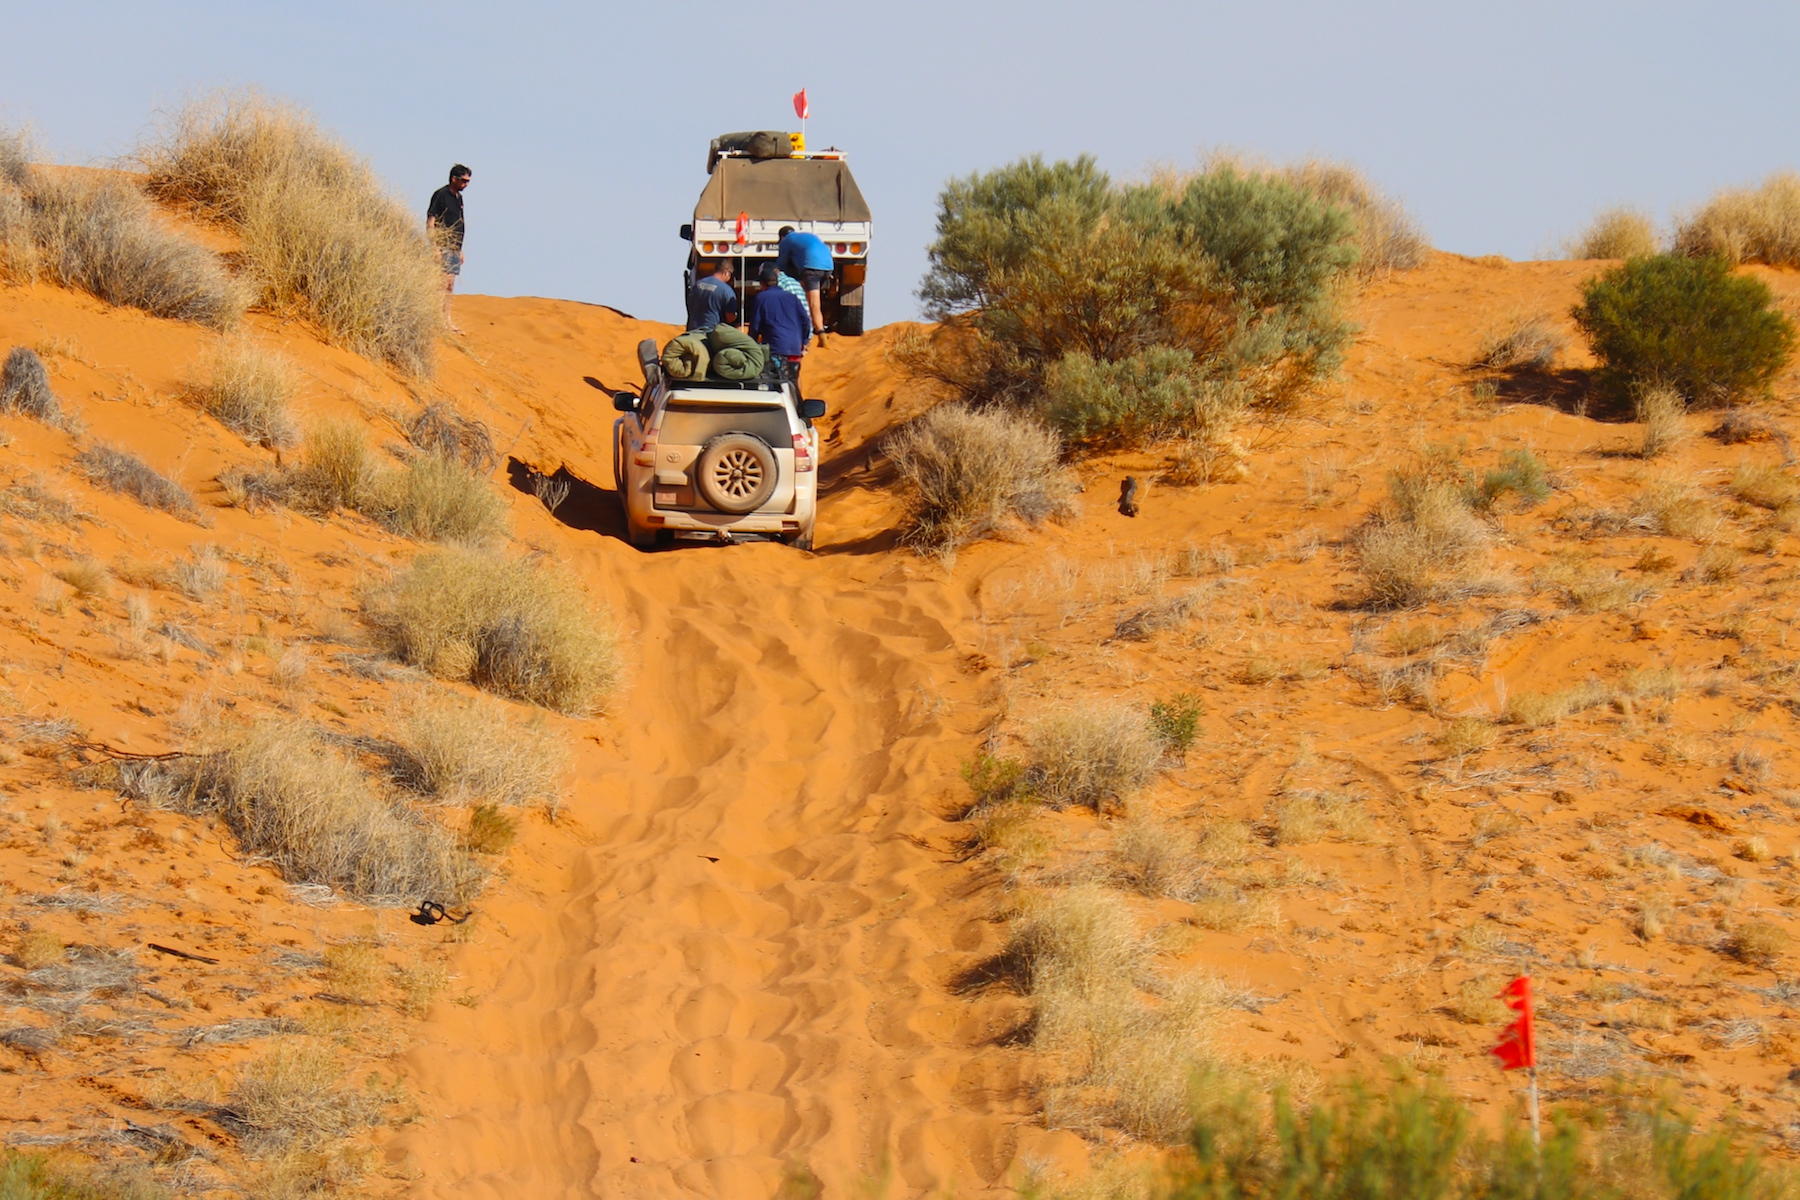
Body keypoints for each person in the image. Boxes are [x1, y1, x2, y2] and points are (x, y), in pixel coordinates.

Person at [750, 261, 811, 393]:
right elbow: (806, 321)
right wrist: (804, 341)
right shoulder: (792, 297)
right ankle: (797, 404)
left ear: (762, 284)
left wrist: (751, 344)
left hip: (775, 349)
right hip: (794, 349)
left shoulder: (761, 297)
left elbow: (755, 326)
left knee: (775, 384)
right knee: (793, 382)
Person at [426, 165, 471, 332]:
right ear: (454, 178)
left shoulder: (459, 198)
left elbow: (458, 223)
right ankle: (436, 320)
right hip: (442, 245)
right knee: (441, 283)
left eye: (468, 181)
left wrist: (460, 249)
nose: (466, 184)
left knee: (450, 285)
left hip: (454, 248)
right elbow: (431, 222)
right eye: (464, 180)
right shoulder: (441, 195)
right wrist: (434, 247)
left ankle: (447, 321)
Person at [776, 226, 834, 344]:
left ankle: (821, 333)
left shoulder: (786, 240)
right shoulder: (807, 236)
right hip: (828, 267)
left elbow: (781, 264)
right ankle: (817, 322)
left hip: (812, 268)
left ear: (781, 237)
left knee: (813, 303)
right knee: (814, 298)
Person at [686, 260, 739, 332]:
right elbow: (729, 317)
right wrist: (735, 316)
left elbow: (690, 305)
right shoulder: (727, 291)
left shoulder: (697, 284)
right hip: (710, 332)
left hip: (693, 331)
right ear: (726, 273)